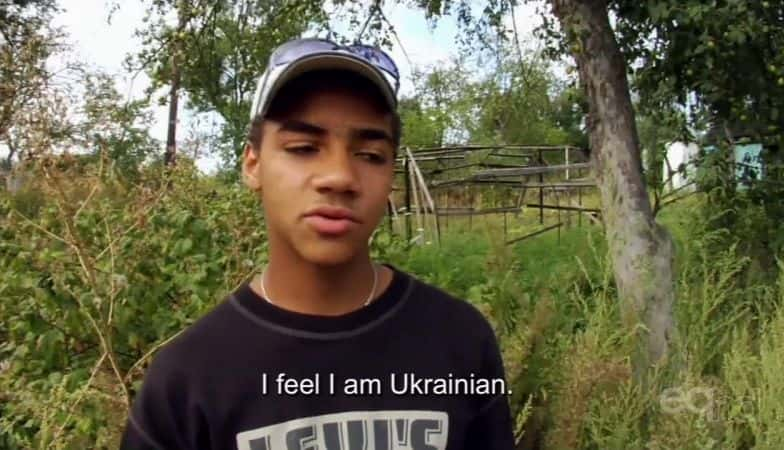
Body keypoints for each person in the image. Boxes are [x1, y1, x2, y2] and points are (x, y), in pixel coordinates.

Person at [120, 37, 514, 450]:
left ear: (390, 176)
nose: (340, 176)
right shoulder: (187, 381)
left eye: (369, 154)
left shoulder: (461, 341)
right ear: (252, 164)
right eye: (304, 148)